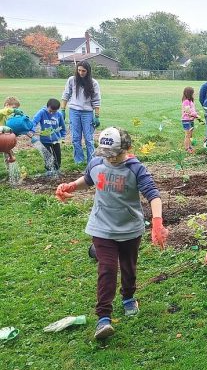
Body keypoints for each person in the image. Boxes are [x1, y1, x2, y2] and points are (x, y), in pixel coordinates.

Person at [54, 127, 168, 340]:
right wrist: (70, 186)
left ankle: (128, 297)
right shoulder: (97, 162)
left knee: (128, 265)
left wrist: (157, 223)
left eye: (116, 154)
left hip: (130, 228)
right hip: (102, 226)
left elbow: (153, 195)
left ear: (127, 148)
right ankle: (103, 318)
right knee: (107, 268)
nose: (111, 159)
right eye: (107, 155)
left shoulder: (135, 169)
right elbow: (88, 179)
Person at [60, 61, 102, 165]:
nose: (81, 73)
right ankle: (79, 161)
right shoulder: (72, 80)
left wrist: (96, 116)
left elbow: (96, 100)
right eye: (79, 70)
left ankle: (91, 162)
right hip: (74, 112)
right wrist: (62, 110)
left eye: (83, 71)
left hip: (87, 113)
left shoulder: (93, 83)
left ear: (88, 71)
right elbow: (66, 95)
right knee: (75, 138)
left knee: (89, 139)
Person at [32, 98, 66, 175]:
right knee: (47, 156)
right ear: (47, 107)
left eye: (54, 112)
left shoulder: (59, 114)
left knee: (57, 156)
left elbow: (62, 127)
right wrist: (32, 130)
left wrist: (63, 136)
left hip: (56, 140)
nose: (51, 113)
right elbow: (34, 121)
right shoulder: (42, 112)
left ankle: (57, 170)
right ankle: (49, 170)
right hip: (44, 140)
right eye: (50, 111)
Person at [1, 96, 34, 164]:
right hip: (1, 138)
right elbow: (2, 112)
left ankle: (9, 171)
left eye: (16, 109)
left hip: (4, 140)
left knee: (10, 156)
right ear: (7, 105)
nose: (15, 110)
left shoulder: (9, 118)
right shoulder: (2, 113)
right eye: (14, 108)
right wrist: (13, 110)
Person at [181, 86, 201, 153]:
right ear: (189, 93)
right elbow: (188, 111)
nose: (194, 94)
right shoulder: (186, 101)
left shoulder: (191, 101)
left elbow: (192, 110)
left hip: (191, 119)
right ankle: (187, 148)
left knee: (190, 135)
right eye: (193, 93)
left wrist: (196, 113)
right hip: (186, 120)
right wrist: (196, 115)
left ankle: (190, 147)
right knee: (187, 134)